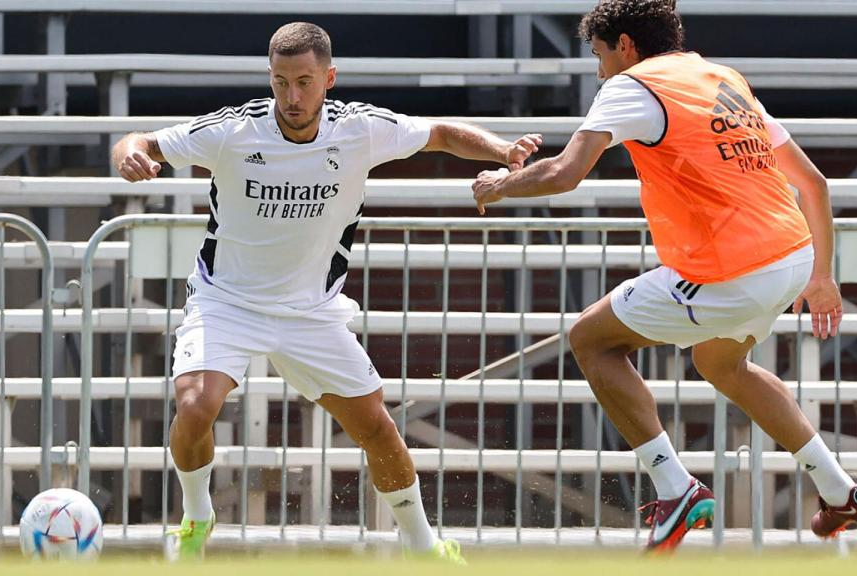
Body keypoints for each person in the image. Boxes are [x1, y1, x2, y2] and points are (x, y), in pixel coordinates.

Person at [112, 21, 542, 561]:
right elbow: (140, 140)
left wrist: (503, 151)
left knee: (378, 430)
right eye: (281, 82)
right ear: (269, 79)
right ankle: (197, 517)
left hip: (311, 312)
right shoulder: (233, 131)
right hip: (226, 302)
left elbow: (439, 132)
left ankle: (423, 546)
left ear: (329, 78)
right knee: (195, 404)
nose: (292, 97)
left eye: (305, 82)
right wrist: (130, 154)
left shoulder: (360, 129)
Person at [472, 0, 857, 552]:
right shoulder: (720, 78)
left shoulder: (631, 85)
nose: (598, 71)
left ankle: (675, 488)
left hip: (732, 270)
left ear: (625, 45)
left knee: (591, 339)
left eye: (598, 55)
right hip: (792, 257)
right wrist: (823, 276)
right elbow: (814, 184)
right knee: (720, 362)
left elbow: (566, 173)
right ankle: (840, 491)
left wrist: (500, 185)